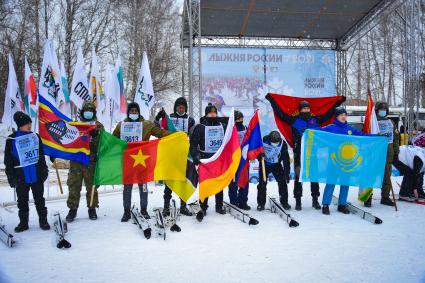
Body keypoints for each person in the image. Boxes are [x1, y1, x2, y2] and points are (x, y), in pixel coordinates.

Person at [267, 98, 344, 210]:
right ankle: (298, 200)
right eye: (304, 108)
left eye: (308, 108)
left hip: (313, 154)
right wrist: (272, 100)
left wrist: (338, 102)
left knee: (314, 176)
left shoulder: (315, 120)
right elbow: (280, 114)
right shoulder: (294, 120)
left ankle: (315, 200)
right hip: (299, 154)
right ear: (300, 110)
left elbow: (328, 114)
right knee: (299, 177)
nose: (306, 110)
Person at [114, 102, 170, 221]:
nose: (134, 113)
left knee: (143, 187)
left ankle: (144, 210)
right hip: (128, 162)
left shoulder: (146, 125)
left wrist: (175, 135)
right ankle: (126, 211)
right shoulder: (121, 125)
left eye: (136, 111)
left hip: (142, 161)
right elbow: (113, 140)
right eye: (131, 111)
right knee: (127, 187)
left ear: (139, 112)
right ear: (128, 113)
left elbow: (160, 133)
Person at [4, 111, 50, 232]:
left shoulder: (35, 136)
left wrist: (44, 170)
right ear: (20, 125)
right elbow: (8, 161)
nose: (29, 125)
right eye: (26, 123)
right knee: (22, 201)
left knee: (40, 199)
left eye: (30, 123)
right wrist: (11, 177)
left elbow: (40, 155)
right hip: (21, 177)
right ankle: (23, 223)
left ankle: (43, 221)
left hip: (36, 175)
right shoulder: (11, 139)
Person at [319, 107, 369, 215]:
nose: (344, 116)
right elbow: (318, 132)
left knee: (345, 183)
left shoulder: (350, 129)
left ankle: (342, 204)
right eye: (341, 114)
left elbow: (363, 136)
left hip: (347, 162)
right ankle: (325, 205)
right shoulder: (331, 128)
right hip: (334, 161)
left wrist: (377, 137)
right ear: (336, 116)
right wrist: (307, 130)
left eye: (345, 114)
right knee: (331, 182)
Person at [155, 97, 195, 216]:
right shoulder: (169, 118)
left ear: (185, 108)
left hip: (184, 155)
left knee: (183, 181)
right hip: (170, 154)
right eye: (179, 106)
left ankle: (183, 206)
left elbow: (193, 137)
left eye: (183, 107)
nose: (181, 108)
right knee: (169, 182)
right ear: (175, 107)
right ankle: (166, 207)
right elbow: (157, 129)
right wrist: (158, 118)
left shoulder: (190, 120)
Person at [66, 101, 104, 222]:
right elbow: (68, 141)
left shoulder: (98, 126)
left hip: (91, 161)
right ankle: (72, 209)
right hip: (76, 160)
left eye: (91, 111)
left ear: (94, 112)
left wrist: (96, 135)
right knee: (74, 185)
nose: (88, 113)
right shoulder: (75, 125)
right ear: (82, 112)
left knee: (91, 186)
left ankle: (92, 208)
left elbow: (103, 144)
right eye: (86, 111)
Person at [359, 102, 399, 207]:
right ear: (377, 110)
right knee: (371, 174)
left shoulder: (391, 122)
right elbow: (366, 136)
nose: (383, 111)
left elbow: (395, 138)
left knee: (387, 175)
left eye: (385, 109)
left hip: (388, 152)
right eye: (381, 109)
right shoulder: (372, 122)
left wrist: (396, 152)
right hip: (374, 153)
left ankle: (385, 197)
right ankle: (367, 197)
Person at [190, 103, 226, 216]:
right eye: (210, 113)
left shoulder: (222, 126)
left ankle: (219, 206)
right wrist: (195, 155)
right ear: (206, 114)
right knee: (205, 183)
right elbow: (193, 144)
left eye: (214, 113)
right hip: (205, 159)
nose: (212, 115)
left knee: (219, 182)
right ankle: (203, 206)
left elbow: (229, 140)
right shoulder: (200, 127)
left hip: (218, 158)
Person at [256, 131, 291, 211]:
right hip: (265, 164)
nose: (275, 144)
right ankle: (261, 204)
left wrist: (287, 173)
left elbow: (286, 160)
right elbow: (257, 151)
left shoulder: (283, 144)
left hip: (276, 164)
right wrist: (259, 156)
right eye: (273, 142)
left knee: (282, 182)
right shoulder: (264, 140)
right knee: (262, 184)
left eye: (277, 142)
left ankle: (284, 202)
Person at [228, 110, 250, 210]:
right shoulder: (230, 129)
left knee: (244, 181)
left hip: (244, 159)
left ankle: (243, 201)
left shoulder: (246, 128)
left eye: (241, 118)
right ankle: (233, 201)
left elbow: (250, 140)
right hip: (233, 159)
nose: (240, 120)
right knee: (233, 182)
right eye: (238, 119)